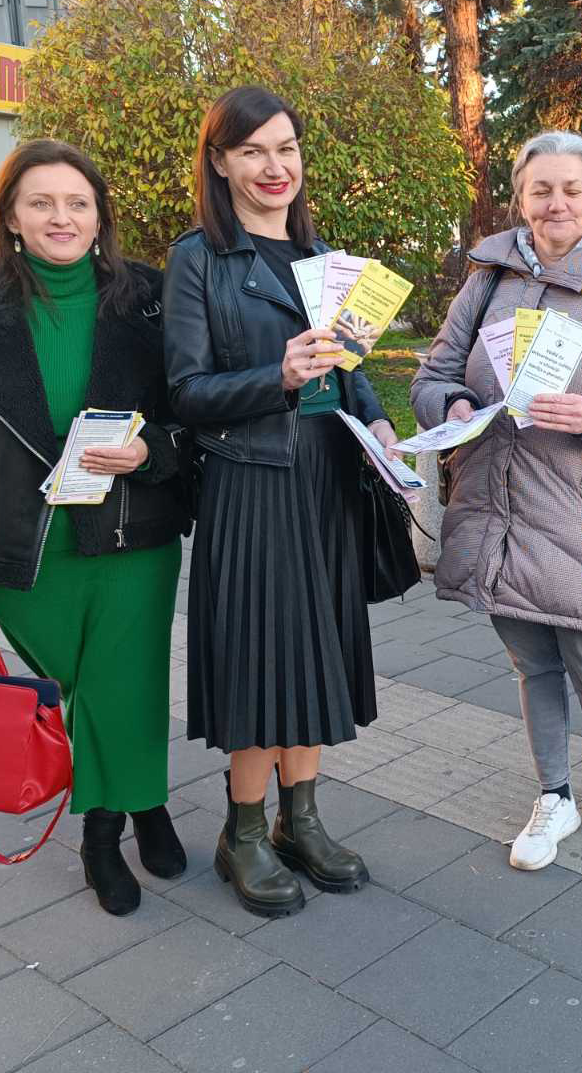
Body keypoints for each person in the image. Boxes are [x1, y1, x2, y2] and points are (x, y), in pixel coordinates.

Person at [0, 139, 188, 916]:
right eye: (42, 202)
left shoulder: (150, 301)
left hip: (132, 538)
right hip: (19, 547)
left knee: (123, 681)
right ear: (11, 218)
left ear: (100, 218)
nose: (61, 217)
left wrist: (152, 450)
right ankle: (144, 803)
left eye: (77, 203)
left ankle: (105, 834)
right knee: (86, 685)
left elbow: (190, 414)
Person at [410, 130, 582, 872]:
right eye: (541, 190)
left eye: (571, 188)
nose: (556, 203)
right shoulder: (488, 283)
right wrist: (457, 404)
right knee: (531, 667)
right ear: (520, 199)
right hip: (496, 508)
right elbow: (431, 376)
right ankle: (555, 795)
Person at [164, 87, 394, 916]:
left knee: (317, 650)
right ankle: (245, 834)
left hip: (327, 480)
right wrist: (279, 376)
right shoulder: (197, 259)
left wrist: (379, 425)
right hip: (250, 482)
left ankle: (302, 819)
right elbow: (187, 392)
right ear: (219, 160)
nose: (275, 167)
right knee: (262, 658)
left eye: (287, 148)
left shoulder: (323, 256)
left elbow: (354, 367)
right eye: (255, 150)